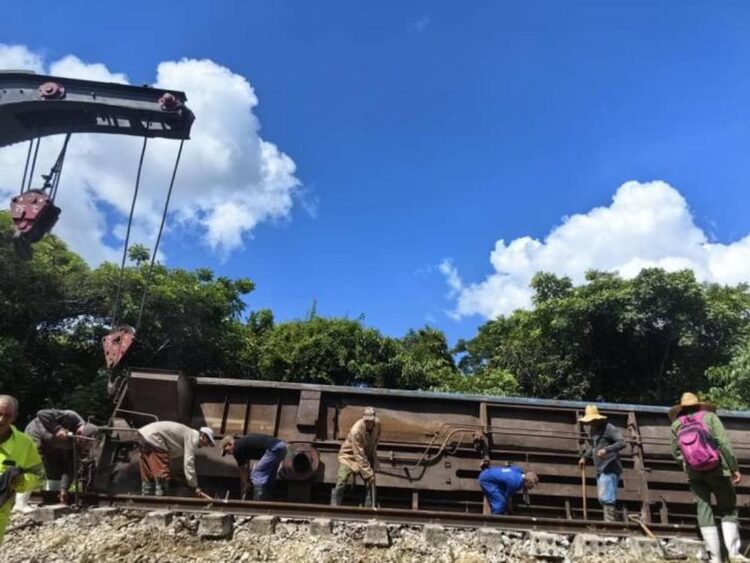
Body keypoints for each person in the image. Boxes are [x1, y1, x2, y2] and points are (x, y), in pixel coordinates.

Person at [669, 392, 749, 563]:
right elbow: (724, 443)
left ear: (681, 408)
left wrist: (689, 467)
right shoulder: (710, 417)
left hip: (695, 474)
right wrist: (734, 468)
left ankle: (715, 558)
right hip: (718, 470)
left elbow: (676, 453)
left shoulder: (676, 424)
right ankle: (734, 554)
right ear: (699, 405)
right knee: (727, 508)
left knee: (703, 510)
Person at [23, 409, 97, 506]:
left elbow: (71, 468)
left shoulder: (79, 446)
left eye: (82, 444)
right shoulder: (70, 416)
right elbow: (41, 413)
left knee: (55, 471)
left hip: (53, 446)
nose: (80, 444)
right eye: (80, 441)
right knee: (34, 465)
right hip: (36, 434)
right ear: (79, 432)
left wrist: (64, 489)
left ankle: (53, 498)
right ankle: (21, 501)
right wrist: (57, 429)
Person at [0, 395, 44, 543]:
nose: (1, 420)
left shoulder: (25, 443)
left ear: (14, 417)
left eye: (7, 416)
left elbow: (38, 476)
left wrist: (21, 481)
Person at [137, 421, 215, 497]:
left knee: (148, 470)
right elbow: (188, 463)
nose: (206, 445)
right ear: (203, 436)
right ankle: (161, 498)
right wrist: (194, 485)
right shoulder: (192, 437)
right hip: (154, 436)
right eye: (207, 442)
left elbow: (170, 454)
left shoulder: (188, 433)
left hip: (144, 434)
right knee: (162, 472)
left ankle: (147, 496)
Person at [578, 404, 626, 522]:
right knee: (602, 497)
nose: (591, 423)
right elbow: (593, 447)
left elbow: (622, 443)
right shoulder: (593, 430)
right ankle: (612, 521)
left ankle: (610, 523)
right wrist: (585, 457)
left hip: (610, 466)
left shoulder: (609, 428)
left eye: (593, 420)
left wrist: (606, 449)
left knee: (607, 497)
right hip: (600, 468)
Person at [331, 406, 381, 507]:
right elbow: (359, 454)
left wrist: (374, 458)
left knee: (370, 481)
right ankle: (335, 504)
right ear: (363, 419)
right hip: (349, 456)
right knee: (342, 478)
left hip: (365, 455)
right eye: (366, 421)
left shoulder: (378, 425)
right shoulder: (356, 430)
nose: (369, 423)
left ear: (374, 419)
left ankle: (368, 506)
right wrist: (368, 472)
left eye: (371, 421)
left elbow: (375, 441)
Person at [220, 433, 287, 500]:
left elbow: (242, 469)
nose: (228, 454)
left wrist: (245, 483)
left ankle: (258, 501)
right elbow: (246, 465)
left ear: (230, 444)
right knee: (269, 475)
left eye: (226, 451)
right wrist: (246, 481)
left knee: (256, 474)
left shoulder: (237, 448)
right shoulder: (242, 444)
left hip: (274, 448)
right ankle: (267, 498)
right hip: (281, 446)